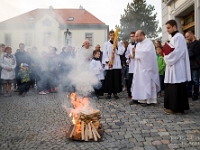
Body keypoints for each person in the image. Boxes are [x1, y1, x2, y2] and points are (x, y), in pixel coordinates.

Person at [164, 19, 191, 114]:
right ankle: (173, 106)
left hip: (177, 66)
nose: (167, 30)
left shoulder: (179, 37)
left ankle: (176, 108)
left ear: (174, 26)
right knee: (171, 86)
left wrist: (166, 57)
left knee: (176, 87)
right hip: (172, 66)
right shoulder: (173, 38)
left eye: (168, 28)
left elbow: (178, 52)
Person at [129, 30, 160, 107]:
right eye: (135, 36)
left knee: (146, 83)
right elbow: (136, 55)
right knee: (138, 83)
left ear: (142, 35)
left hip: (146, 68)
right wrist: (134, 52)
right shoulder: (138, 44)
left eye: (137, 36)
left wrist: (137, 51)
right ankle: (138, 98)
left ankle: (148, 100)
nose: (136, 38)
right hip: (138, 68)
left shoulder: (148, 43)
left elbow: (147, 54)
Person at [102, 30, 125, 99]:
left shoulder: (119, 43)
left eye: (113, 35)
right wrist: (107, 62)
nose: (112, 37)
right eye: (111, 35)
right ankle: (109, 93)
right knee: (109, 79)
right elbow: (105, 53)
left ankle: (115, 93)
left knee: (116, 79)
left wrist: (117, 46)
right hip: (109, 64)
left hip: (116, 64)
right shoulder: (106, 44)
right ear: (109, 36)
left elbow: (121, 52)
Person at [185, 31, 200, 100]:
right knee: (189, 80)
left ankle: (195, 94)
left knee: (195, 80)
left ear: (192, 35)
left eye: (187, 36)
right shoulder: (187, 44)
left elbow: (194, 54)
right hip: (188, 65)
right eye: (186, 37)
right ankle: (189, 93)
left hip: (195, 65)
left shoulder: (197, 43)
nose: (186, 38)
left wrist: (188, 50)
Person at [125, 32, 137, 98]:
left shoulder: (138, 44)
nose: (132, 37)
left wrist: (134, 56)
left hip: (137, 64)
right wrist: (128, 58)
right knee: (131, 80)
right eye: (131, 36)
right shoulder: (129, 45)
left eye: (133, 36)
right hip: (131, 65)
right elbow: (127, 53)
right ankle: (130, 93)